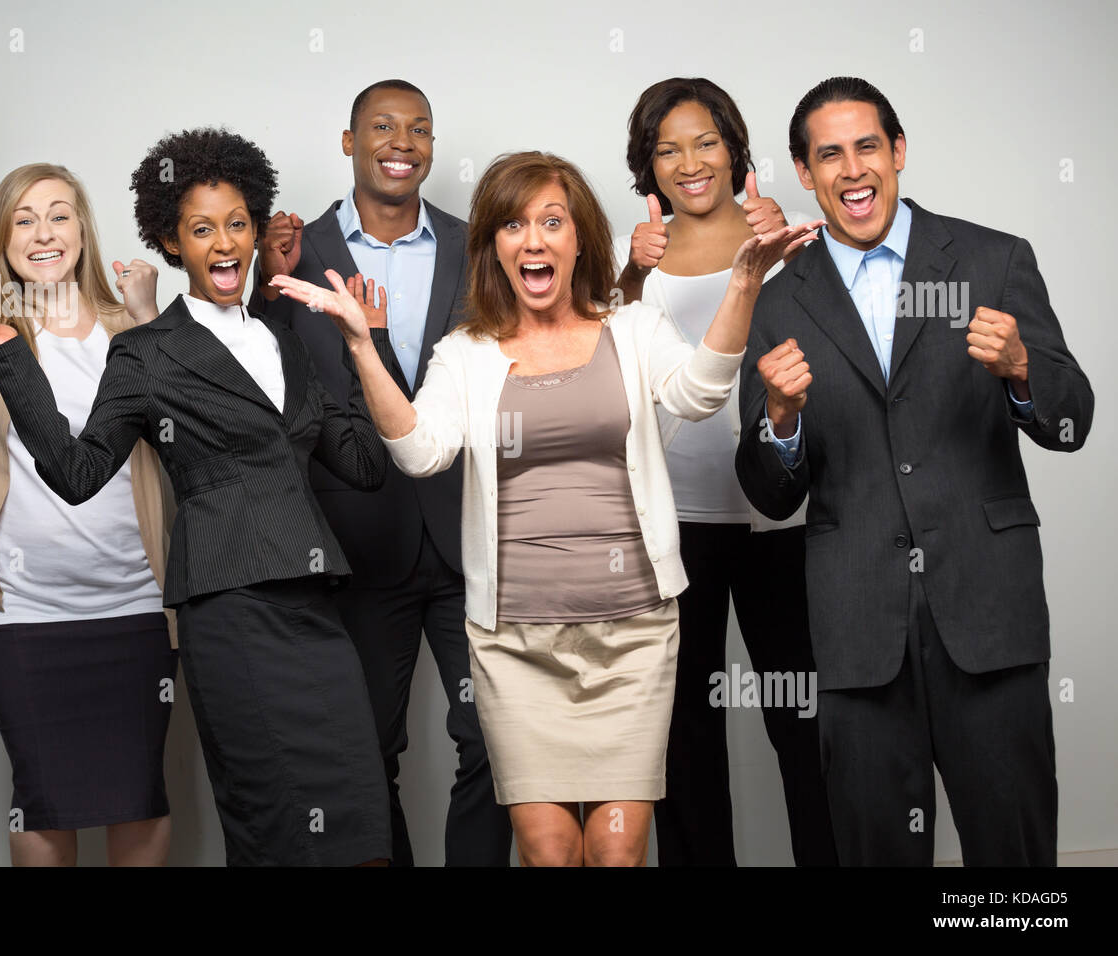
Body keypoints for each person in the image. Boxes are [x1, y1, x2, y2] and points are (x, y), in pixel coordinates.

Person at [271, 150, 820, 865]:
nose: (533, 239)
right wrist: (361, 345)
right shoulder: (465, 352)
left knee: (618, 851)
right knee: (551, 849)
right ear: (493, 247)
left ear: (580, 240)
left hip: (633, 636)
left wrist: (744, 282)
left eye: (551, 222)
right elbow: (419, 452)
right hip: (516, 645)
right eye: (512, 224)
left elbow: (699, 394)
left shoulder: (631, 328)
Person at [0, 125, 394, 867]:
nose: (223, 242)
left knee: (364, 830)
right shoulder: (146, 351)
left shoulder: (287, 338)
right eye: (201, 228)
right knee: (274, 830)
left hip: (315, 612)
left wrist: (369, 342)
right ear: (171, 242)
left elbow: (367, 465)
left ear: (255, 234)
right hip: (228, 612)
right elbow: (78, 474)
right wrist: (12, 362)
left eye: (237, 224)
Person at [735, 76, 1093, 866]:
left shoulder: (995, 259)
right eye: (829, 154)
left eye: (868, 146)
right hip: (858, 633)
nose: (852, 169)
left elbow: (1073, 422)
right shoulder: (778, 300)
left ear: (898, 152)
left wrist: (1025, 368)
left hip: (988, 615)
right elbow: (766, 490)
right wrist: (781, 421)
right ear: (804, 171)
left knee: (1015, 869)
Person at [0, 27, 176, 866]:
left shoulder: (129, 326)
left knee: (140, 797)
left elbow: (189, 431)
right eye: (24, 218)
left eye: (60, 213)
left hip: (136, 607)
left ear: (83, 229)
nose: (43, 230)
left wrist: (144, 318)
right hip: (24, 616)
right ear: (5, 238)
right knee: (45, 805)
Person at [250, 79, 511, 867]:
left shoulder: (479, 244)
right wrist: (266, 283)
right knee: (363, 756)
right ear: (348, 142)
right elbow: (260, 374)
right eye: (383, 127)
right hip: (358, 543)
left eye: (420, 129)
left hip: (471, 539)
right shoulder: (299, 251)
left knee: (497, 744)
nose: (403, 142)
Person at [614, 77, 837, 866]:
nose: (689, 162)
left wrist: (778, 252)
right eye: (667, 149)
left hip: (787, 518)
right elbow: (613, 373)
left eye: (705, 141)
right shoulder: (635, 254)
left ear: (735, 149)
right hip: (679, 523)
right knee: (686, 730)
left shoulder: (786, 235)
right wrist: (631, 279)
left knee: (806, 721)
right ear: (648, 165)